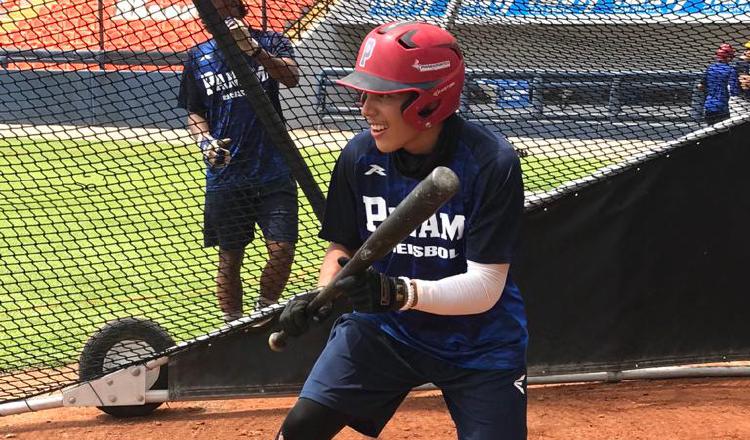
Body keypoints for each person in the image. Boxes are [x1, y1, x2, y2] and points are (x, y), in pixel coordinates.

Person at [276, 21, 528, 440]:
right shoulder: (359, 156)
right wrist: (325, 295)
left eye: (383, 95)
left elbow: (486, 287)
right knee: (301, 429)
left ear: (428, 101)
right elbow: (344, 247)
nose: (366, 108)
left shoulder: (490, 163)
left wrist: (397, 293)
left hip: (478, 342)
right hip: (384, 329)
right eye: (364, 93)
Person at [177, 0, 300, 323]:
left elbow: (291, 77)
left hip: (274, 168)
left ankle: (263, 312)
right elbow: (194, 111)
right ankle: (232, 324)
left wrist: (254, 51)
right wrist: (205, 141)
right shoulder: (198, 56)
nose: (212, 18)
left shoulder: (271, 40)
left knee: (283, 249)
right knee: (229, 258)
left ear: (235, 7)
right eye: (208, 13)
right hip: (227, 174)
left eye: (218, 10)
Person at [699, 43, 740, 124]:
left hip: (709, 105)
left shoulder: (710, 68)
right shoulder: (731, 70)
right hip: (724, 108)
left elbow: (700, 86)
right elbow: (734, 91)